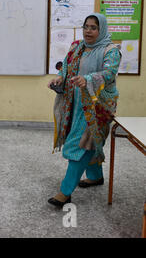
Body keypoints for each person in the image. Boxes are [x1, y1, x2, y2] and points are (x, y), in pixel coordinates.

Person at [47, 13, 121, 207]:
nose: (88, 31)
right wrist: (59, 78)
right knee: (92, 141)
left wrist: (87, 79)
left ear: (101, 29)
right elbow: (66, 68)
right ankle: (96, 176)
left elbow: (108, 73)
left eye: (93, 28)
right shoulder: (77, 47)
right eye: (86, 26)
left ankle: (65, 192)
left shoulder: (111, 50)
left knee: (81, 144)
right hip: (77, 102)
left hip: (98, 105)